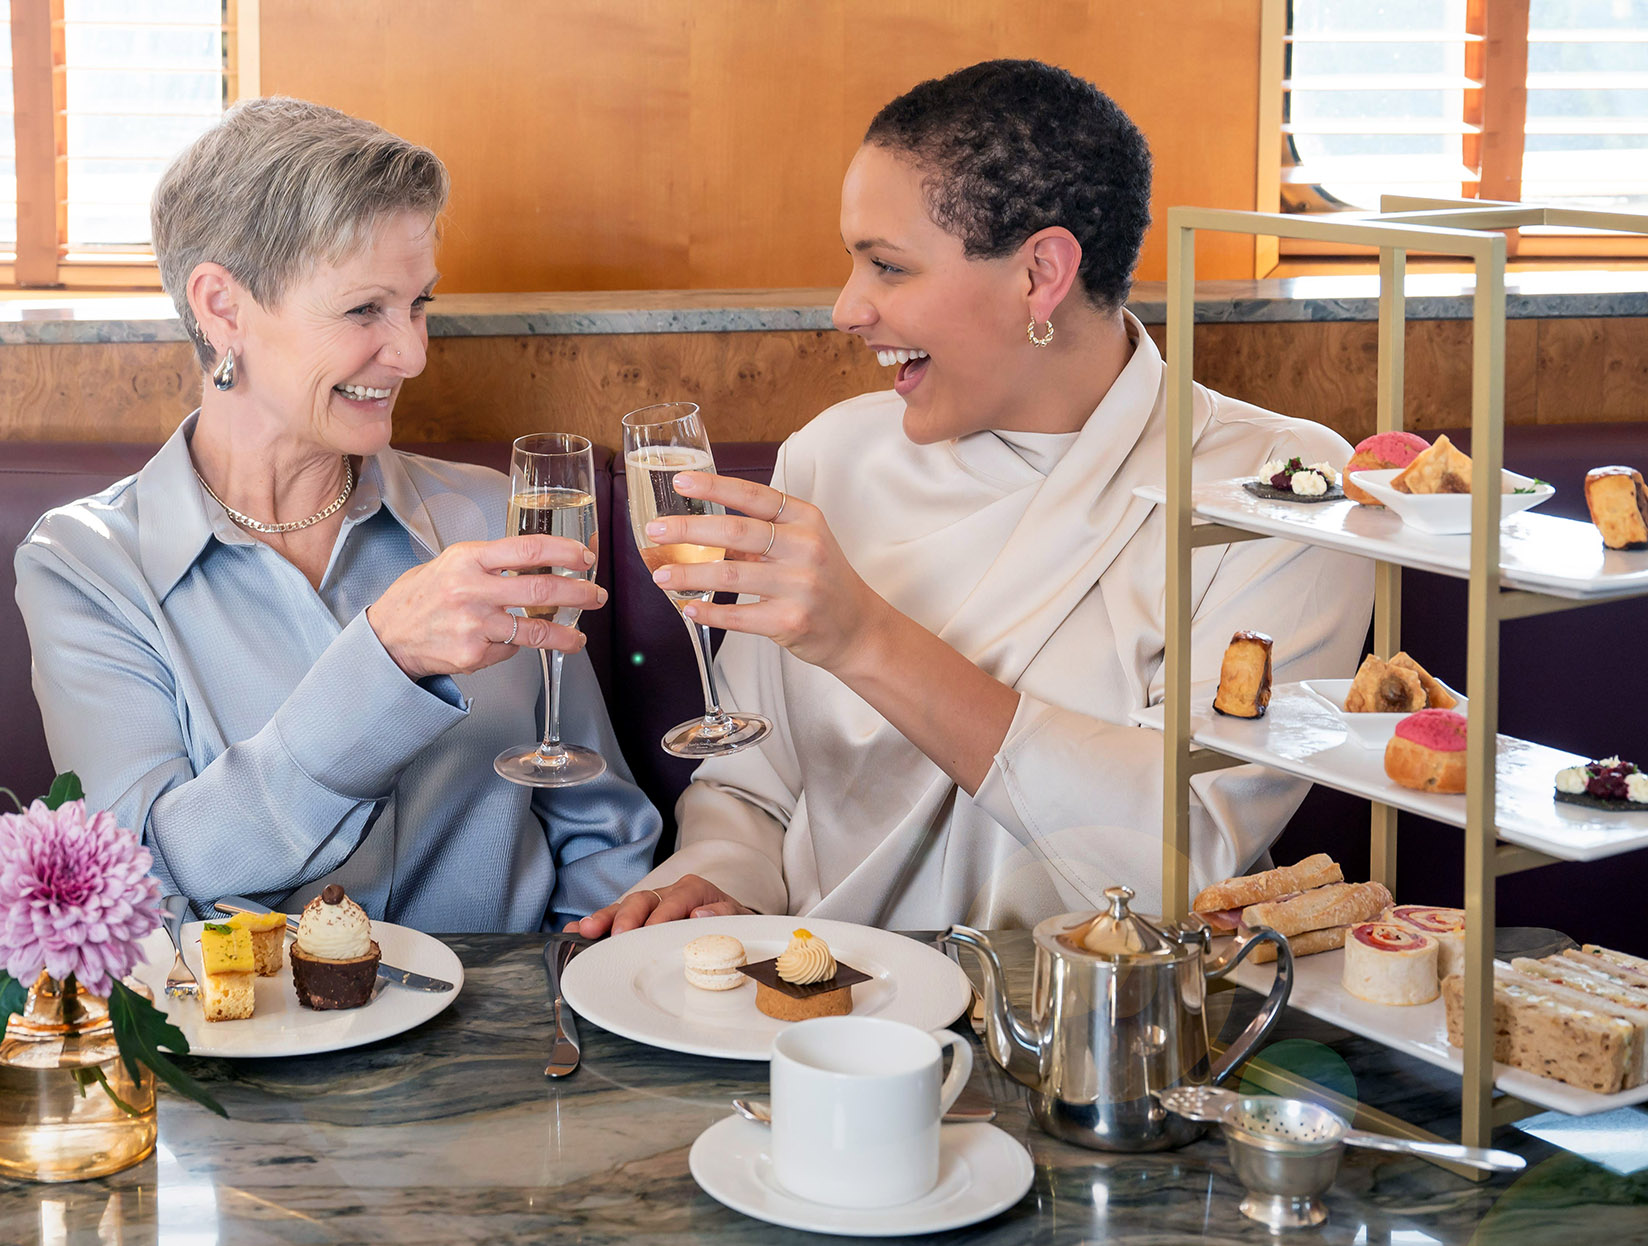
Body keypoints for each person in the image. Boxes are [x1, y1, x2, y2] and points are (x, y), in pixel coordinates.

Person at [572, 60, 1372, 937]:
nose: (847, 309)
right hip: (826, 1001)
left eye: (888, 266)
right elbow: (751, 785)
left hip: (1104, 1027)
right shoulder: (831, 457)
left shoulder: (1279, 496)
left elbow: (1178, 859)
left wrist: (867, 638)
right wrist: (721, 877)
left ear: (1041, 274)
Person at [16, 98, 659, 931]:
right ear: (223, 308)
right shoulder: (89, 566)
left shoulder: (493, 513)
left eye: (419, 303)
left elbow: (599, 829)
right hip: (254, 1046)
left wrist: (566, 1012)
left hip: (513, 1048)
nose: (413, 353)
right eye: (365, 310)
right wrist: (384, 660)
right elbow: (146, 883)